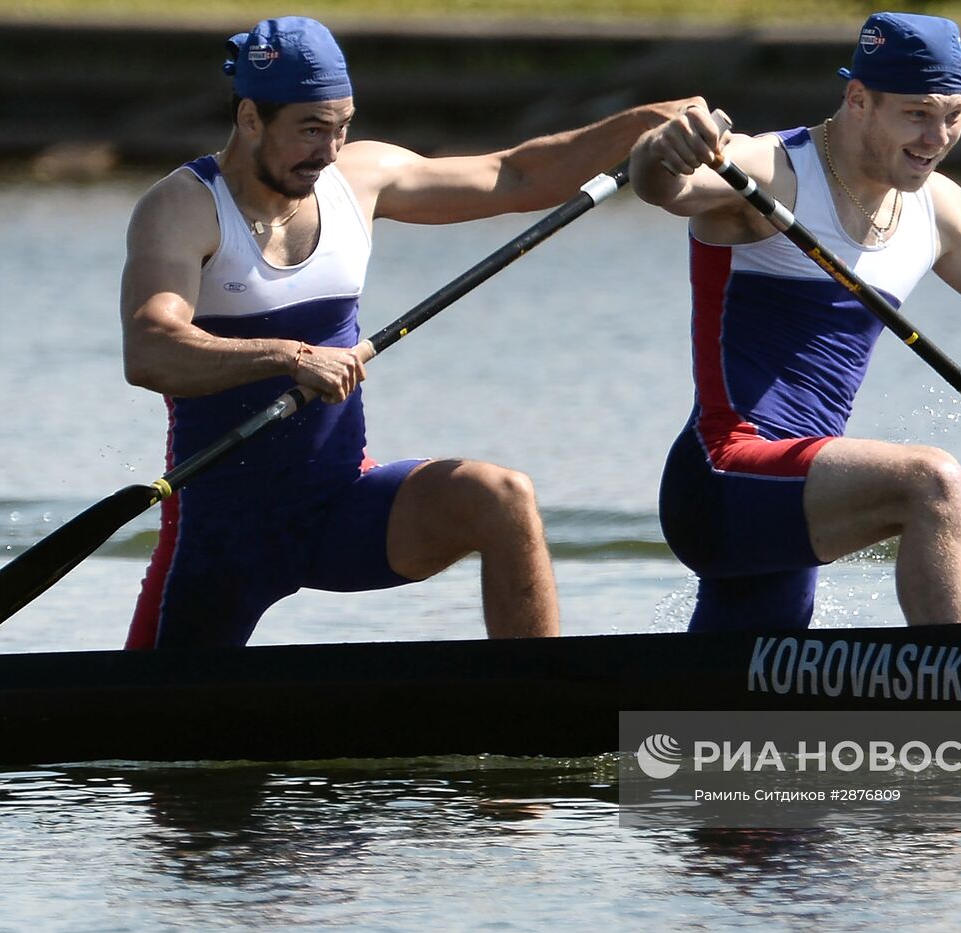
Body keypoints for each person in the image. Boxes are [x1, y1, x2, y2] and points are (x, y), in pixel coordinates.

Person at [122, 16, 696, 649]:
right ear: (251, 117)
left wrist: (641, 123)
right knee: (143, 737)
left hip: (340, 504)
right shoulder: (183, 208)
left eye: (341, 127)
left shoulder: (357, 181)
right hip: (221, 529)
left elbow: (517, 175)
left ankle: (534, 697)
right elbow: (151, 349)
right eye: (310, 130)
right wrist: (287, 356)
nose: (330, 151)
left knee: (500, 496)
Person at [629, 11, 961, 632]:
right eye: (917, 113)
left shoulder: (937, 209)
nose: (937, 137)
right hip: (723, 474)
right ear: (858, 100)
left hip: (797, 485)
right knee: (930, 483)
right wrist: (661, 149)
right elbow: (664, 187)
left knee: (735, 699)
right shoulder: (771, 173)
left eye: (953, 115)